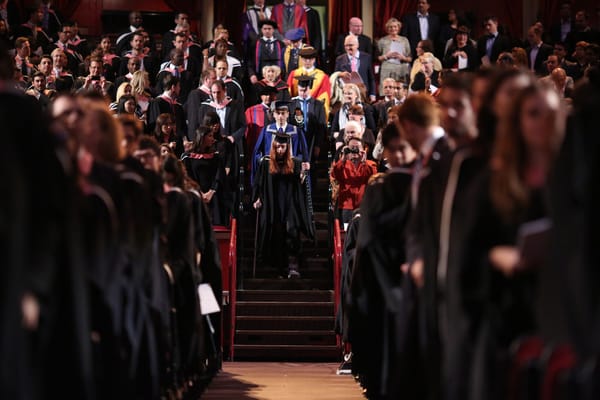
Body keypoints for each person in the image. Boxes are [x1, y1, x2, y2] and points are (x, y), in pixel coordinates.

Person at [252, 131, 313, 278]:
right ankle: (278, 268)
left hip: (290, 202)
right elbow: (259, 184)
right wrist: (257, 198)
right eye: (278, 147)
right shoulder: (266, 163)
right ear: (273, 146)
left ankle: (293, 266)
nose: (280, 150)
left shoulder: (295, 163)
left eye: (283, 147)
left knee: (292, 231)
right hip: (273, 204)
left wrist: (302, 177)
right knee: (276, 233)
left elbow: (302, 185)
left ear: (288, 147)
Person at [252, 100, 309, 181]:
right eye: (278, 113)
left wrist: (296, 162)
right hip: (271, 172)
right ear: (274, 115)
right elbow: (257, 152)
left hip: (291, 172)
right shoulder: (267, 131)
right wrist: (264, 161)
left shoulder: (296, 131)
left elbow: (303, 153)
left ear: (288, 114)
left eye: (283, 113)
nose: (280, 116)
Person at [331, 135, 377, 224]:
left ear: (364, 149)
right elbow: (335, 175)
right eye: (351, 148)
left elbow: (373, 178)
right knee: (346, 232)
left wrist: (364, 162)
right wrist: (343, 158)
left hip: (364, 205)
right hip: (347, 206)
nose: (354, 151)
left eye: (357, 148)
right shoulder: (343, 165)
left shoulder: (370, 164)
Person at [289, 74, 327, 159]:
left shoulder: (318, 105)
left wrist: (318, 145)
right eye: (300, 90)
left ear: (309, 88)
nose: (302, 93)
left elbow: (321, 126)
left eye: (305, 91)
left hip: (311, 139)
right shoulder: (292, 104)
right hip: (296, 140)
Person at [286, 46, 331, 115]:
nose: (307, 61)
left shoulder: (322, 76)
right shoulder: (294, 74)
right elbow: (288, 93)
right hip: (296, 110)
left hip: (314, 111)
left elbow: (324, 97)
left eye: (310, 59)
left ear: (314, 60)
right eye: (305, 59)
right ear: (301, 59)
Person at [335, 34, 377, 102]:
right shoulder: (340, 59)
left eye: (351, 45)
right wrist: (341, 74)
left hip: (363, 94)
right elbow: (336, 76)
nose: (348, 48)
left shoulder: (367, 57)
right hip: (347, 94)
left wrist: (372, 94)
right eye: (346, 45)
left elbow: (371, 78)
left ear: (357, 45)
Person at [376, 18, 412, 94]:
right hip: (387, 70)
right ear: (387, 28)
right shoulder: (382, 41)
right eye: (390, 27)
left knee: (400, 92)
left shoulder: (404, 40)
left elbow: (410, 58)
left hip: (401, 70)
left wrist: (403, 58)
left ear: (399, 27)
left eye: (395, 26)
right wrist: (386, 56)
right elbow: (377, 58)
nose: (393, 28)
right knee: (387, 92)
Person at [248, 20, 283, 85]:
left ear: (273, 30)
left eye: (269, 29)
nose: (267, 31)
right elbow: (249, 61)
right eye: (265, 29)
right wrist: (252, 74)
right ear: (261, 30)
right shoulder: (255, 44)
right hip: (260, 77)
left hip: (277, 78)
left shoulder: (280, 44)